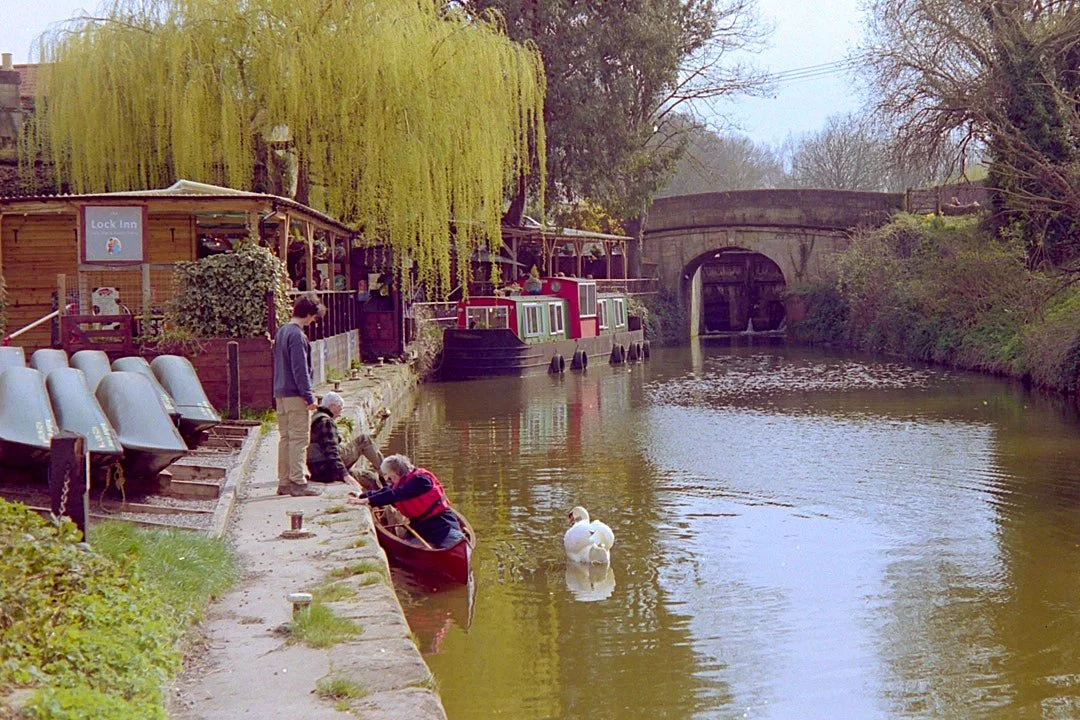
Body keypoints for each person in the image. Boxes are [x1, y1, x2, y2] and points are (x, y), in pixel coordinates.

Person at [347, 454, 464, 548]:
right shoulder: (402, 482)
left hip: (442, 525)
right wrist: (362, 496)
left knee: (456, 543)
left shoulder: (421, 481)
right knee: (414, 547)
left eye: (388, 476)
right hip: (421, 527)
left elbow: (395, 494)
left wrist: (368, 500)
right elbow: (387, 491)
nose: (388, 480)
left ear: (396, 473)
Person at [274, 294, 323, 497]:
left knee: (285, 438)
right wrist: (309, 397)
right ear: (309, 314)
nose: (313, 321)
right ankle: (298, 481)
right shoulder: (297, 335)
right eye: (314, 317)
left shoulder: (282, 331)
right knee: (299, 439)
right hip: (295, 395)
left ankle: (284, 481)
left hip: (280, 393)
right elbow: (300, 369)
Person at [307, 391, 384, 487]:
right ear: (332, 406)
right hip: (327, 468)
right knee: (364, 440)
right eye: (340, 409)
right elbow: (331, 452)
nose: (340, 414)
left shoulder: (315, 417)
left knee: (370, 477)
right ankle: (385, 472)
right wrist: (345, 474)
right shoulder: (325, 422)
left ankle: (382, 495)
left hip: (319, 472)